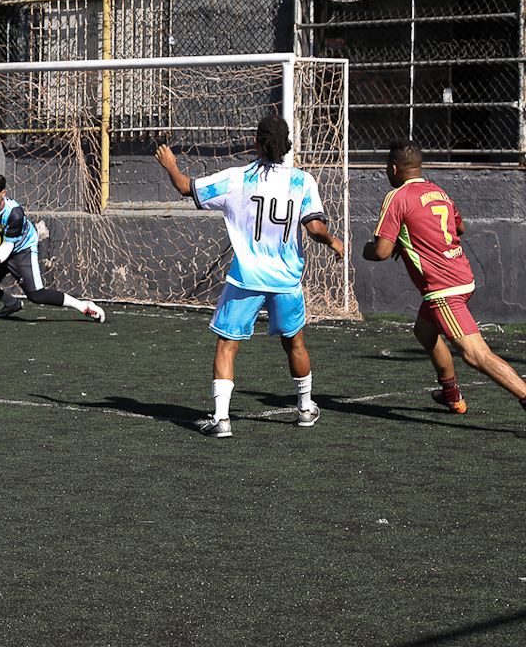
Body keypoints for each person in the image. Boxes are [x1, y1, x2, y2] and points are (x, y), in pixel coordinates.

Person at [156, 113, 345, 438]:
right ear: (287, 146)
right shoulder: (302, 181)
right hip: (285, 280)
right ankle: (305, 408)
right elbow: (315, 226)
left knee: (227, 346)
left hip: (246, 279)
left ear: (256, 142)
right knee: (295, 344)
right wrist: (332, 241)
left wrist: (171, 163)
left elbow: (186, 188)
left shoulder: (237, 178)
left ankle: (222, 419)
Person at [362, 139, 526, 419]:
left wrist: (368, 248)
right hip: (461, 275)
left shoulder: (397, 197)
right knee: (424, 332)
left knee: (475, 355)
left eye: (386, 170)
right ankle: (451, 396)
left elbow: (380, 251)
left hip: (443, 289)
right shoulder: (438, 192)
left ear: (393, 169)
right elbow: (459, 227)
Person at [0, 173, 105, 322]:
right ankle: (12, 303)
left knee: (36, 295)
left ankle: (83, 305)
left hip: (21, 249)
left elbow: (8, 245)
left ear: (3, 193)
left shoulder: (14, 213)